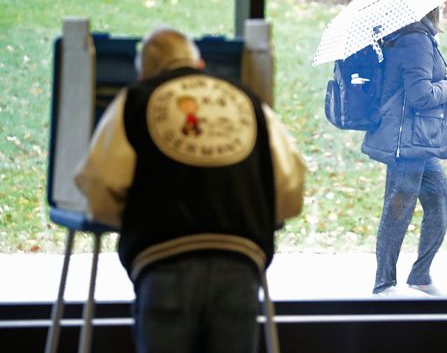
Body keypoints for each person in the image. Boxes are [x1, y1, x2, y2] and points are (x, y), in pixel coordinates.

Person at [74, 27, 306, 353]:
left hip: (162, 263)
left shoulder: (136, 100)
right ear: (199, 65)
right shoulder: (248, 101)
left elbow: (98, 188)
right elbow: (289, 189)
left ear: (144, 74)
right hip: (240, 265)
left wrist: (130, 219)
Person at [361, 6, 447, 296]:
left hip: (415, 138)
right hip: (407, 139)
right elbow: (421, 96)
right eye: (442, 4)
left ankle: (419, 277)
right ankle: (384, 285)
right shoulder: (415, 40)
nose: (445, 7)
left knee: (441, 198)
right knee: (399, 207)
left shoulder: (410, 36)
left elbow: (411, 88)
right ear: (431, 7)